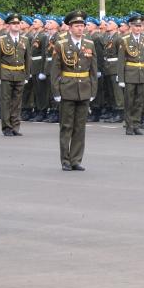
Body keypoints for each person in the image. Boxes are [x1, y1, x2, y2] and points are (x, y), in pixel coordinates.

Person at [51, 11, 98, 171]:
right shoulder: (61, 44)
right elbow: (55, 70)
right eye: (77, 26)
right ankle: (65, 160)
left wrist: (93, 90)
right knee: (66, 126)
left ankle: (76, 160)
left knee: (80, 127)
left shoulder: (89, 44)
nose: (80, 28)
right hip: (67, 88)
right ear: (70, 28)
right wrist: (56, 92)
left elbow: (93, 69)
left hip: (84, 88)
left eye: (82, 26)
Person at [0, 13, 32, 136]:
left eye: (18, 23)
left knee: (17, 102)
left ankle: (15, 127)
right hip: (6, 74)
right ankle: (7, 127)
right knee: (6, 101)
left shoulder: (25, 40)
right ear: (8, 26)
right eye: (13, 23)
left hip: (19, 73)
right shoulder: (1, 39)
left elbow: (27, 59)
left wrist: (27, 75)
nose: (16, 25)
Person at [117, 14, 144, 135]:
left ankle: (136, 124)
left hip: (142, 74)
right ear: (131, 26)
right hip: (130, 74)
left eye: (140, 26)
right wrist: (121, 78)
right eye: (136, 26)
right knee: (129, 101)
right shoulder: (125, 39)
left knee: (139, 101)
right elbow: (121, 60)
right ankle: (129, 125)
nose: (138, 28)